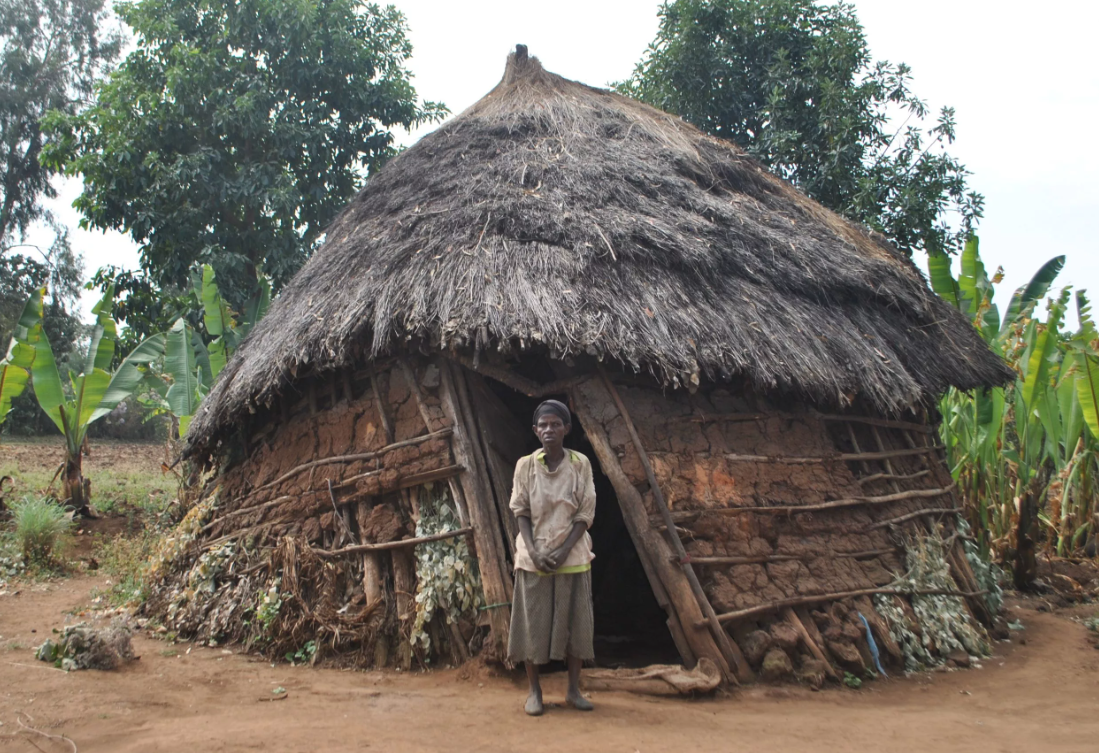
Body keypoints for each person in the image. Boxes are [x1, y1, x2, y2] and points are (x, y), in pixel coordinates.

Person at [507, 399, 596, 716]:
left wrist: (562, 549)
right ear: (535, 430)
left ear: (566, 429)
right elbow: (520, 510)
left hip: (572, 555)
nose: (548, 430)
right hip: (534, 558)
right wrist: (532, 549)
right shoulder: (525, 466)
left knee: (576, 624)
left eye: (555, 424)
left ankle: (573, 690)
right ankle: (534, 692)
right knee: (533, 625)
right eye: (543, 425)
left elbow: (585, 513)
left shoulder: (580, 464)